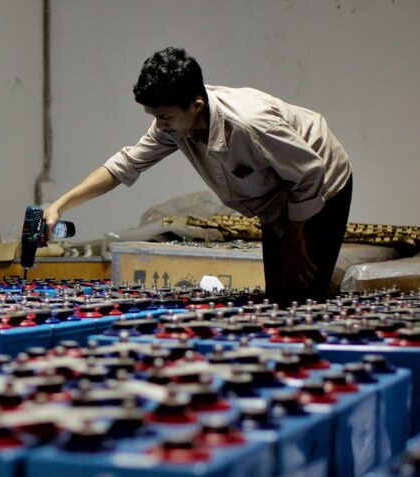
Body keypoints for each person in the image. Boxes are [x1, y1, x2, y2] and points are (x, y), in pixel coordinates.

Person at [43, 47, 352, 306]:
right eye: (154, 116)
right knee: (279, 299)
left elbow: (309, 172)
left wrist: (295, 239)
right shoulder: (174, 126)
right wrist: (60, 205)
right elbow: (124, 165)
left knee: (302, 297)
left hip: (322, 184)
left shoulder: (248, 124)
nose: (159, 125)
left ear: (196, 106)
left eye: (164, 117)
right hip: (278, 199)